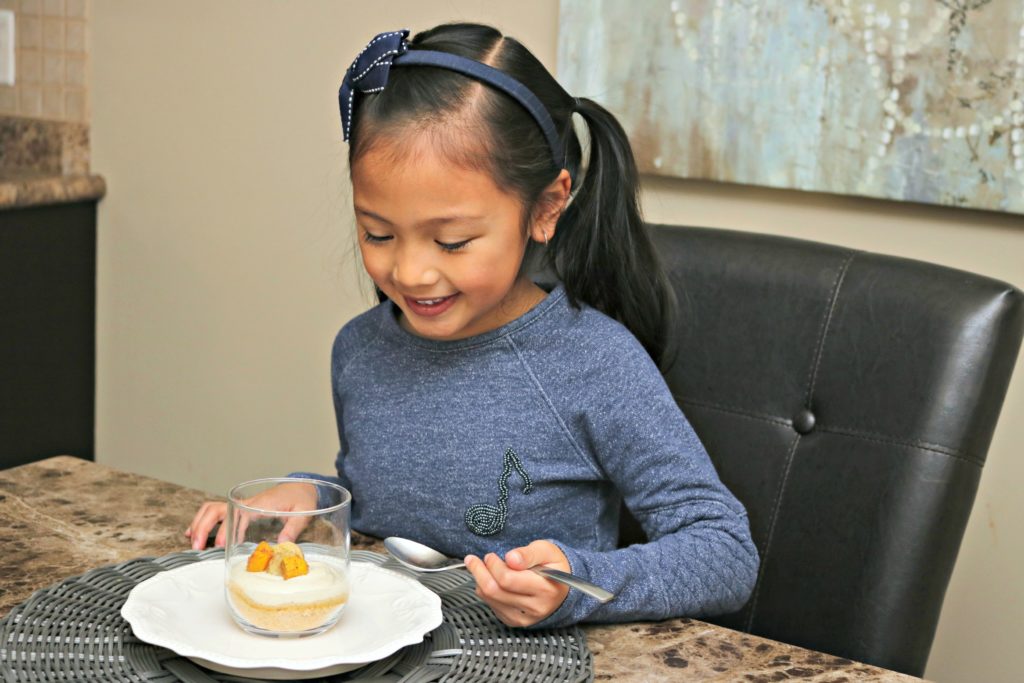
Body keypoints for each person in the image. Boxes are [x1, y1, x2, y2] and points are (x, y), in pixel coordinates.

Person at [187, 22, 758, 628]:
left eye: (452, 241)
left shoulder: (592, 363)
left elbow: (724, 551)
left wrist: (578, 584)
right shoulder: (359, 349)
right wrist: (316, 497)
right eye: (378, 234)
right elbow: (400, 509)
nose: (409, 272)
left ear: (545, 209)